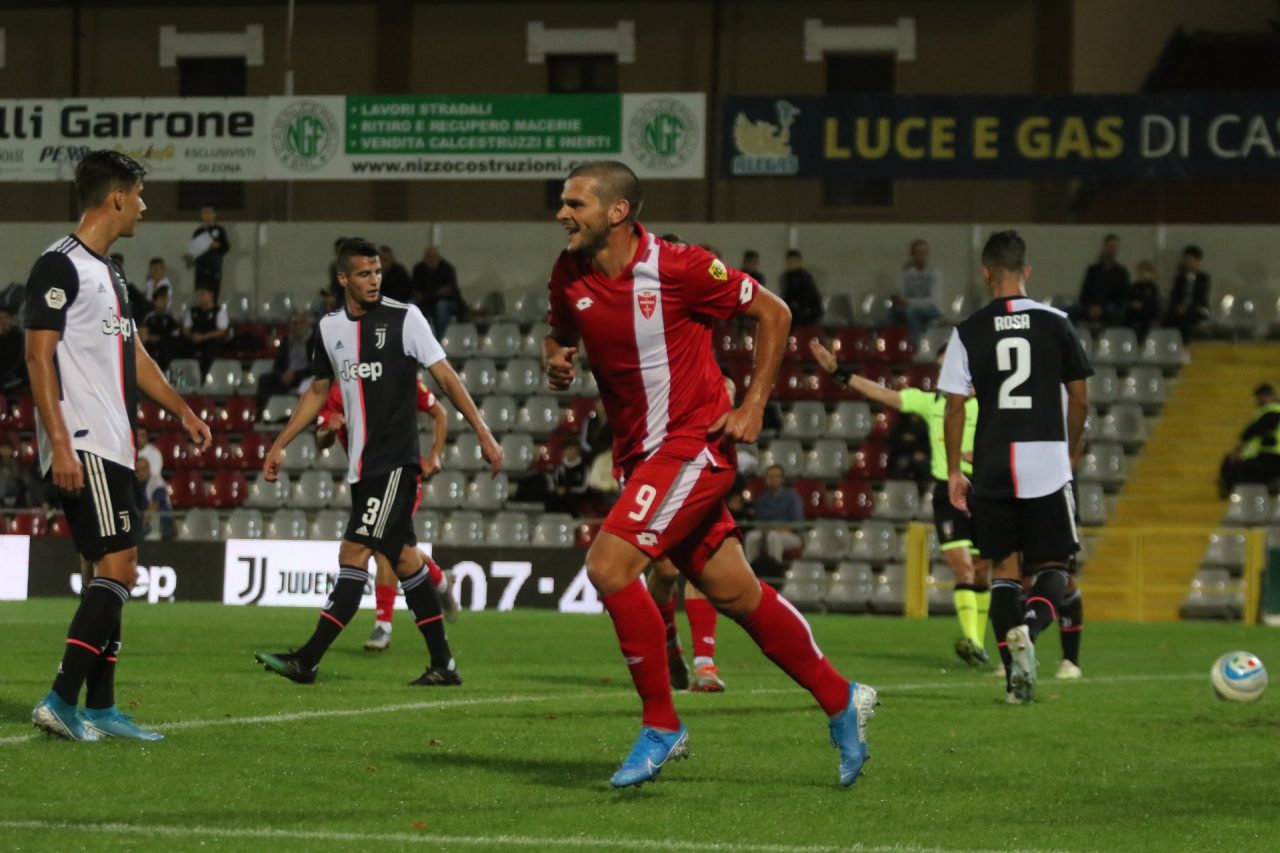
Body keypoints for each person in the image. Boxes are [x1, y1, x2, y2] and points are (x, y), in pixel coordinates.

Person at [545, 160, 876, 788]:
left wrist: (753, 403)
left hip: (693, 445)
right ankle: (842, 698)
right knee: (734, 593)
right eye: (563, 203)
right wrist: (556, 360)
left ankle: (663, 724)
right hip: (641, 457)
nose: (562, 213)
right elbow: (559, 334)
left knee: (609, 566)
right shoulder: (569, 271)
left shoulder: (680, 267)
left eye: (575, 204)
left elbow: (774, 312)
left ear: (617, 212)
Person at [254, 237, 501, 687]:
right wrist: (280, 443)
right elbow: (316, 391)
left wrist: (483, 430)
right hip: (361, 469)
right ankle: (443, 664)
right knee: (406, 561)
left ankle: (307, 659)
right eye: (364, 274)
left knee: (354, 552)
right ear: (343, 278)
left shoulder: (406, 319)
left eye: (378, 272)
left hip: (394, 465)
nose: (374, 280)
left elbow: (444, 377)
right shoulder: (329, 328)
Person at [25, 149, 213, 741]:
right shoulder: (59, 265)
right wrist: (59, 444)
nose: (143, 205)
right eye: (138, 194)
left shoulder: (113, 274)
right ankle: (61, 700)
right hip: (83, 441)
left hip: (112, 441)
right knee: (120, 566)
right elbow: (37, 355)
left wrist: (182, 409)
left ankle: (100, 707)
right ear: (115, 198)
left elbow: (134, 357)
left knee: (108, 568)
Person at [940, 230, 1091, 705]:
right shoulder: (1056, 323)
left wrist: (953, 472)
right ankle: (1032, 625)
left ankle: (1014, 683)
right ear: (1026, 271)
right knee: (1054, 568)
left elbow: (953, 408)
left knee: (1004, 573)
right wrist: (1069, 450)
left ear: (986, 272)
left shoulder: (967, 331)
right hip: (1045, 458)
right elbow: (1082, 399)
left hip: (992, 463)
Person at [811, 338, 992, 666]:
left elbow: (1009, 445)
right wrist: (839, 373)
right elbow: (881, 393)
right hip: (948, 493)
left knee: (981, 572)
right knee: (963, 568)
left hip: (985, 492)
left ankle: (978, 641)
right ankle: (974, 641)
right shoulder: (932, 402)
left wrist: (982, 456)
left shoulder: (988, 405)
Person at [314, 375, 459, 651]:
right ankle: (439, 579)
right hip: (366, 482)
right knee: (401, 549)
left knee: (383, 548)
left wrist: (436, 455)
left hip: (402, 477)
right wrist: (329, 430)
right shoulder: (340, 388)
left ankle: (383, 625)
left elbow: (439, 412)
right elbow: (321, 439)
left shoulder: (398, 377)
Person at [1218, 383, 1280, 498]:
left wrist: (1238, 451)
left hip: (1271, 457)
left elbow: (1251, 432)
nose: (1259, 401)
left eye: (1261, 397)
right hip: (1269, 456)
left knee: (1232, 466)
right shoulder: (1271, 411)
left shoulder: (1272, 411)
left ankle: (1232, 496)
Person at [743, 464, 805, 566]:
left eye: (777, 476)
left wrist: (778, 529)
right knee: (751, 537)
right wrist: (765, 529)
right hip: (766, 533)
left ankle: (775, 571)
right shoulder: (762, 499)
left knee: (773, 537)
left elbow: (797, 524)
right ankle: (752, 573)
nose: (773, 479)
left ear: (782, 479)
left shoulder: (793, 498)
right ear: (766, 479)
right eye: (771, 476)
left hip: (791, 536)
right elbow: (758, 522)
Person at [255, 309, 315, 412]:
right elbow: (278, 365)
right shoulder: (286, 341)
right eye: (292, 323)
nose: (295, 326)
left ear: (305, 323)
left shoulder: (314, 340)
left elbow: (315, 366)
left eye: (298, 323)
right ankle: (265, 412)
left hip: (305, 376)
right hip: (287, 375)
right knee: (264, 380)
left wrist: (296, 375)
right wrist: (283, 374)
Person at [889, 239, 944, 346]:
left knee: (912, 312)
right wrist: (898, 299)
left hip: (932, 308)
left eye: (924, 253)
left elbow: (934, 300)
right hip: (908, 306)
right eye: (918, 253)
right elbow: (901, 292)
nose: (921, 256)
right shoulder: (907, 272)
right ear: (912, 255)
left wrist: (909, 302)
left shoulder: (934, 272)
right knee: (891, 312)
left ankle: (916, 346)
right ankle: (891, 344)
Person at [1074, 234, 1129, 331]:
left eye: (1115, 247)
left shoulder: (1121, 272)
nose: (1112, 250)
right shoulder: (1093, 270)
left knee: (1114, 312)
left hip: (1110, 307)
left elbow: (1122, 297)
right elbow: (1084, 292)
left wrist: (1101, 308)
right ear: (1105, 247)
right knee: (1069, 310)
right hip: (1091, 306)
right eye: (1110, 246)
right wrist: (1090, 307)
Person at [412, 245, 463, 336]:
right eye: (428, 257)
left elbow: (448, 291)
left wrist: (426, 295)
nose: (431, 259)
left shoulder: (447, 269)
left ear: (438, 257)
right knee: (410, 305)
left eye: (433, 256)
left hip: (448, 302)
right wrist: (437, 293)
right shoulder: (418, 269)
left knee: (441, 306)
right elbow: (416, 293)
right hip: (426, 303)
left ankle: (438, 340)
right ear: (424, 258)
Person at [1166, 245, 1211, 343]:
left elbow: (1201, 297)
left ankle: (1185, 345)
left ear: (1197, 261)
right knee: (1168, 319)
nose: (1188, 262)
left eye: (1191, 260)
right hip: (1180, 308)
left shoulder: (1203, 278)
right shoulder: (1180, 278)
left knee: (1186, 320)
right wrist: (1177, 306)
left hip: (1197, 308)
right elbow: (1174, 295)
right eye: (1187, 260)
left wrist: (1188, 307)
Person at [181, 284, 229, 374]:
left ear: (211, 295)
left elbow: (221, 331)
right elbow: (186, 329)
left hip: (211, 342)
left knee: (213, 347)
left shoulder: (219, 311)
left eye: (202, 294)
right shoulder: (193, 311)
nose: (199, 297)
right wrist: (192, 336)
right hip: (194, 340)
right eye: (198, 295)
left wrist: (203, 337)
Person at [187, 205, 230, 295]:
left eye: (209, 212)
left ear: (214, 214)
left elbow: (226, 247)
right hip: (200, 269)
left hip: (214, 269)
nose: (206, 215)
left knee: (213, 294)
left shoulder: (220, 230)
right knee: (200, 293)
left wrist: (217, 246)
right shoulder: (198, 231)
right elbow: (193, 250)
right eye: (204, 212)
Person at [132, 456, 174, 540]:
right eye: (138, 470)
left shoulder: (157, 482)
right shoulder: (136, 483)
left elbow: (154, 507)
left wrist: (140, 527)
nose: (141, 472)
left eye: (144, 469)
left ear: (148, 469)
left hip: (162, 523)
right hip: (146, 523)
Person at [139, 285, 180, 370]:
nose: (164, 302)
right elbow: (142, 333)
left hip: (165, 351)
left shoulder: (170, 318)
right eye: (162, 299)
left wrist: (162, 339)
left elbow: (175, 335)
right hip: (150, 349)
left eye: (166, 299)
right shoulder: (148, 317)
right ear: (155, 301)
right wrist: (150, 338)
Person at [780, 249, 823, 326]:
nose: (791, 263)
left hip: (808, 310)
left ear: (800, 262)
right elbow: (786, 295)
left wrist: (797, 304)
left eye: (794, 261)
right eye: (789, 261)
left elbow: (808, 296)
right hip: (794, 309)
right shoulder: (786, 277)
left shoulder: (805, 277)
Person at [1125, 259, 1161, 341]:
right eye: (1141, 272)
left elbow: (1153, 302)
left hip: (1148, 313)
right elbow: (1129, 299)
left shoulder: (1152, 287)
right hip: (1134, 313)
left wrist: (1143, 305)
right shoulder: (1135, 286)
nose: (1144, 274)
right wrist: (1133, 304)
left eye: (1146, 272)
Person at [0, 305, 27, 390]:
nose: (3, 321)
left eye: (6, 318)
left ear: (11, 320)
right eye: (0, 318)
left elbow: (16, 362)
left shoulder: (17, 335)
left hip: (14, 376)